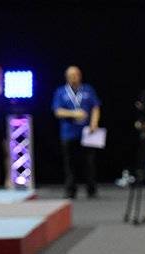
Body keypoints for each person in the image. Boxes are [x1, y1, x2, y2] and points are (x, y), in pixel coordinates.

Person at [51, 65, 100, 199]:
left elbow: (95, 107)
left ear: (80, 76)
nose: (74, 78)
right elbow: (57, 111)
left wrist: (94, 123)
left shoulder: (88, 90)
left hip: (87, 132)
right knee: (70, 163)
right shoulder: (61, 92)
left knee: (89, 162)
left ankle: (91, 189)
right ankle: (71, 190)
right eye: (71, 75)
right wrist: (74, 114)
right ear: (67, 77)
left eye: (76, 75)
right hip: (69, 133)